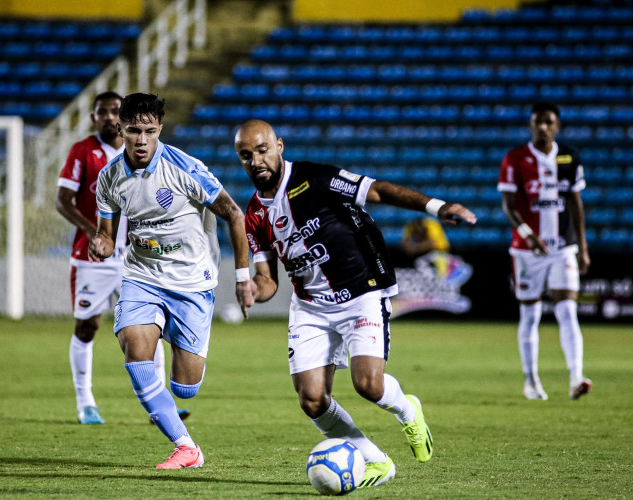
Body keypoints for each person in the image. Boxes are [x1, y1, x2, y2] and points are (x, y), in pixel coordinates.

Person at [234, 120, 476, 488]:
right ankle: (376, 462)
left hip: (361, 293)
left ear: (279, 146)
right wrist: (253, 288)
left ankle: (407, 409)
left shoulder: (315, 179)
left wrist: (435, 206)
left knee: (368, 385)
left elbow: (377, 190)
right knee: (312, 399)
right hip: (311, 306)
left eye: (262, 150)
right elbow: (269, 280)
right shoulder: (253, 215)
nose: (256, 160)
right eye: (246, 155)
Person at [89, 93, 253, 469]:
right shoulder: (110, 177)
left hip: (192, 282)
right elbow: (106, 234)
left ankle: (169, 341)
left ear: (160, 129)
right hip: (142, 277)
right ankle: (186, 447)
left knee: (185, 387)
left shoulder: (186, 168)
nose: (142, 139)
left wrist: (243, 278)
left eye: (149, 130)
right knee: (134, 345)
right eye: (133, 131)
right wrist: (99, 244)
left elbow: (234, 214)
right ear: (121, 129)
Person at [56, 91, 189, 425]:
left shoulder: (143, 152)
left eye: (115, 111)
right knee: (88, 326)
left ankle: (161, 405)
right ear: (93, 117)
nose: (109, 117)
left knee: (151, 324)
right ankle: (85, 402)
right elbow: (63, 200)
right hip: (94, 259)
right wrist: (93, 232)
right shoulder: (82, 152)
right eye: (102, 111)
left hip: (137, 257)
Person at [498, 102, 592, 401]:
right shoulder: (515, 158)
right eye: (537, 122)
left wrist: (582, 246)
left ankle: (576, 377)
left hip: (563, 247)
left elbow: (576, 203)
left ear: (557, 126)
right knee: (530, 315)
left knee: (567, 310)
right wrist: (529, 235)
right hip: (526, 252)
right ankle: (531, 381)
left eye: (548, 122)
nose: (542, 127)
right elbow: (509, 207)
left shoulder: (570, 157)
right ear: (530, 125)